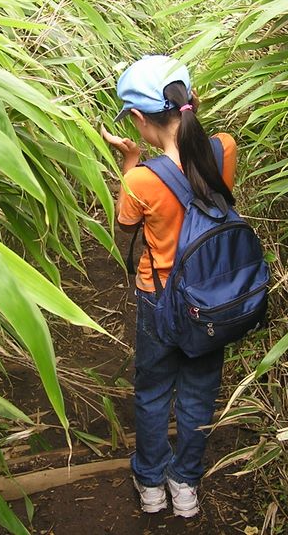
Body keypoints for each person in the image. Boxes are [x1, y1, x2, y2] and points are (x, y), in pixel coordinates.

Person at [101, 55, 237, 518]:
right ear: (190, 102)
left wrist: (131, 162)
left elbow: (125, 230)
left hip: (159, 298)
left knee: (154, 390)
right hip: (213, 298)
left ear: (137, 119)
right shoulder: (224, 148)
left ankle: (151, 482)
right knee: (199, 392)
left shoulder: (140, 179)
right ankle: (185, 485)